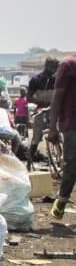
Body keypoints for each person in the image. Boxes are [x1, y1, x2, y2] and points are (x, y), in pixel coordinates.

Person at [48, 54, 76, 220]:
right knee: (72, 165)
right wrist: (52, 128)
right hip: (72, 124)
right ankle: (62, 201)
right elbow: (57, 97)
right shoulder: (68, 65)